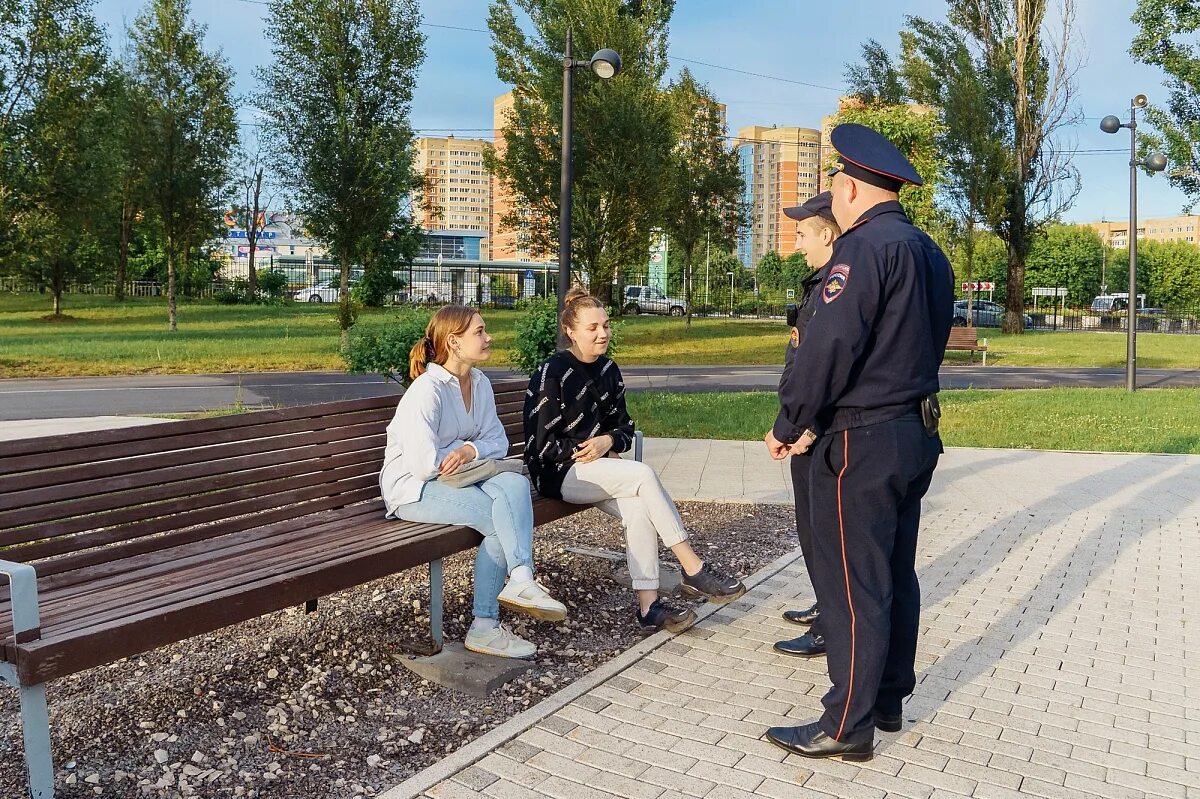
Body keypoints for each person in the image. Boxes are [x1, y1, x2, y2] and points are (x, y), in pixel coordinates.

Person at [763, 123, 954, 761]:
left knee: (852, 583)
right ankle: (889, 698)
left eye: (834, 188)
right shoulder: (929, 251)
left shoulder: (862, 250)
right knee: (894, 571)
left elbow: (830, 346)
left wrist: (791, 423)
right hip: (915, 433)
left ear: (848, 189)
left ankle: (846, 723)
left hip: (862, 443)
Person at [523, 286, 747, 635]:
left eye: (606, 325)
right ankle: (692, 565)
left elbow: (625, 428)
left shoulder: (609, 370)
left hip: (601, 470)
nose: (602, 333)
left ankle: (648, 606)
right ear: (570, 331)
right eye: (592, 328)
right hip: (559, 473)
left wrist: (609, 440)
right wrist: (589, 448)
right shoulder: (553, 373)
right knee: (641, 475)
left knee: (639, 509)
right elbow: (541, 445)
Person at [380, 305, 567, 660]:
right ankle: (485, 625)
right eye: (479, 332)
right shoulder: (427, 391)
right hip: (413, 490)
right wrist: (465, 452)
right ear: (453, 342)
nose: (488, 337)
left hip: (462, 476)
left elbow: (497, 442)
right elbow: (423, 466)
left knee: (513, 486)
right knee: (498, 520)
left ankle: (522, 579)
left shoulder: (479, 383)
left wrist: (467, 450)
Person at [773, 192, 841, 660]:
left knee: (823, 531)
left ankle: (830, 629)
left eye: (802, 233)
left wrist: (806, 426)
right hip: (805, 425)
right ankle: (826, 609)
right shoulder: (820, 284)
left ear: (827, 233)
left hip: (817, 431)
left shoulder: (835, 288)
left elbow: (830, 366)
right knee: (811, 525)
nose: (797, 242)